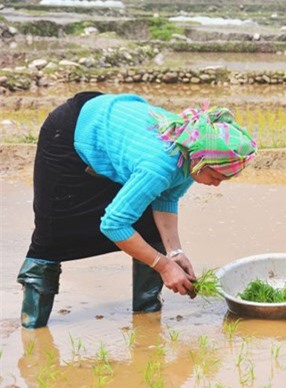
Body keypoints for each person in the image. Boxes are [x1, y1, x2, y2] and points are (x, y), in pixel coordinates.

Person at [17, 92, 257, 329]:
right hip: (71, 132)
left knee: (148, 226)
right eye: (215, 176)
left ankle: (147, 322)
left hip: (116, 132)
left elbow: (166, 196)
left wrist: (174, 253)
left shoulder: (192, 151)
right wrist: (164, 266)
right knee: (53, 232)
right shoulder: (160, 164)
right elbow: (113, 224)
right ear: (200, 160)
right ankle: (32, 330)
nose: (216, 184)